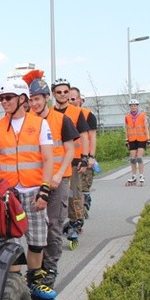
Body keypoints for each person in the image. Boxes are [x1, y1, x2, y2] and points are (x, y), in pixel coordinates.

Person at [0, 80, 56, 300]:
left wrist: (44, 190)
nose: (4, 102)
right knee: (12, 244)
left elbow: (47, 159)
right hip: (9, 195)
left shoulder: (39, 124)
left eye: (8, 97)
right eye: (1, 98)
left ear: (22, 99)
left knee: (37, 241)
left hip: (34, 191)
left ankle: (35, 282)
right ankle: (16, 288)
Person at [25, 70, 78, 287]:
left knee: (54, 226)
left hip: (58, 181)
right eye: (31, 100)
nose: (34, 103)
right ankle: (36, 270)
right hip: (37, 183)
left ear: (46, 97)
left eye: (37, 99)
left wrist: (58, 174)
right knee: (36, 228)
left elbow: (70, 151)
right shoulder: (27, 122)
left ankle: (50, 270)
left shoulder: (61, 120)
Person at [52, 78, 90, 238]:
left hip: (74, 160)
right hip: (55, 162)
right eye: (59, 92)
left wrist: (85, 157)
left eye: (65, 92)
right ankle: (57, 223)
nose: (62, 95)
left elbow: (84, 135)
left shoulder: (76, 112)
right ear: (54, 94)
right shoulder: (49, 113)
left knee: (74, 193)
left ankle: (75, 222)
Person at [69, 89, 98, 213]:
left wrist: (91, 156)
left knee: (82, 187)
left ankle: (80, 212)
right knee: (73, 189)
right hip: (70, 157)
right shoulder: (64, 115)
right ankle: (78, 214)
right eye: (68, 99)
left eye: (73, 99)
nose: (70, 101)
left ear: (80, 99)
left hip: (84, 157)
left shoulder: (88, 115)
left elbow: (92, 137)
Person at [124, 97, 150, 185]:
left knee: (139, 157)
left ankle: (141, 175)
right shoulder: (127, 117)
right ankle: (134, 176)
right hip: (132, 139)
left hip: (142, 139)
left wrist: (148, 139)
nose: (133, 107)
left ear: (137, 106)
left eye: (135, 106)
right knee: (132, 159)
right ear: (130, 107)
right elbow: (127, 129)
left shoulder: (143, 115)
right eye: (131, 106)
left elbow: (146, 127)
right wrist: (126, 140)